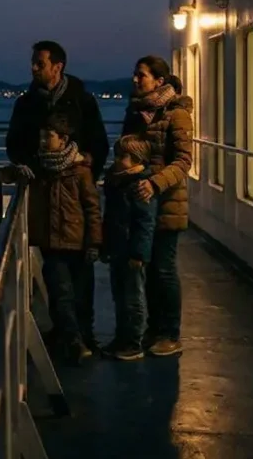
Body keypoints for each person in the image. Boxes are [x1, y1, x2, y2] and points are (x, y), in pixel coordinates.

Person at [6, 40, 109, 350]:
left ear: (57, 66)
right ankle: (68, 335)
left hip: (74, 203)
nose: (33, 68)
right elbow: (14, 145)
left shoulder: (82, 101)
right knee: (56, 278)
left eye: (40, 63)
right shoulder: (26, 104)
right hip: (47, 200)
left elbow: (99, 145)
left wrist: (84, 166)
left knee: (81, 278)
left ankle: (83, 335)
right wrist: (32, 166)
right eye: (34, 63)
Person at [1, 112, 102, 364]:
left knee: (81, 295)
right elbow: (9, 176)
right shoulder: (38, 167)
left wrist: (95, 242)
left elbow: (92, 208)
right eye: (42, 137)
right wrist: (12, 171)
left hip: (78, 243)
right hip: (52, 244)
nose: (44, 141)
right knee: (60, 294)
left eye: (49, 137)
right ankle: (75, 343)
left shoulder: (80, 172)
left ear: (63, 139)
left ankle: (83, 339)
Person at [122, 55, 193, 357]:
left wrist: (154, 183)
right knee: (148, 269)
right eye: (135, 75)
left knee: (164, 269)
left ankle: (170, 333)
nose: (136, 80)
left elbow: (183, 161)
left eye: (142, 75)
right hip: (142, 204)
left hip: (167, 203)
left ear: (159, 81)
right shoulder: (136, 111)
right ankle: (154, 327)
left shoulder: (176, 115)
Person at [100, 135, 158, 361]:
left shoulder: (139, 186)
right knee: (120, 295)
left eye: (123, 156)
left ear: (137, 159)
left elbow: (145, 223)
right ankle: (122, 338)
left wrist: (139, 254)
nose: (117, 160)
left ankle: (133, 342)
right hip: (118, 248)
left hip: (129, 252)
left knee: (132, 297)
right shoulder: (118, 182)